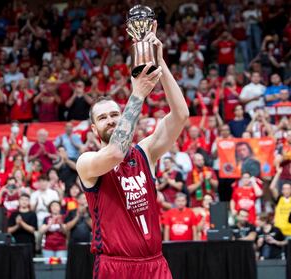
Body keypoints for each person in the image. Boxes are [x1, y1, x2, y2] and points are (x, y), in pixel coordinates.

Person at [76, 21, 188, 279]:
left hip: (155, 264)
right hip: (115, 266)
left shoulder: (144, 152)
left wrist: (160, 63)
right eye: (103, 118)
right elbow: (115, 152)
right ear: (94, 129)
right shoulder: (87, 162)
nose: (112, 120)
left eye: (115, 114)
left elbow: (180, 115)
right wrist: (136, 95)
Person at [269, 167, 291, 238]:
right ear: (282, 190)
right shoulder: (279, 198)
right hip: (278, 230)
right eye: (284, 188)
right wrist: (278, 173)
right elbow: (272, 187)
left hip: (289, 230)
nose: (286, 190)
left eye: (288, 188)